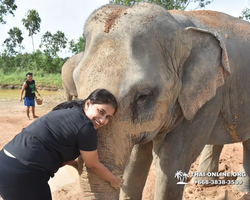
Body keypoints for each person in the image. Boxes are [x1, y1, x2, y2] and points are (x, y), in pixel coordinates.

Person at [0, 88, 123, 200]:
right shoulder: (86, 127)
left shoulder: (67, 111)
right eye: (101, 112)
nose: (103, 120)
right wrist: (113, 180)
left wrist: (74, 164)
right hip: (24, 174)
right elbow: (93, 164)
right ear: (88, 103)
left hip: (5, 162)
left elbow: (53, 144)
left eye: (108, 117)